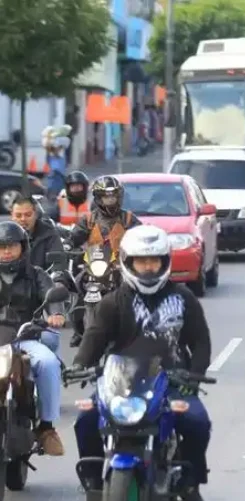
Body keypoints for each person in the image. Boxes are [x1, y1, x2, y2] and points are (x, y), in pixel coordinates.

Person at [69, 225, 212, 500]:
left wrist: (194, 376)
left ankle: (190, 481)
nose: (148, 268)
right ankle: (93, 481)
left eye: (154, 260)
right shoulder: (113, 302)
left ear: (164, 261)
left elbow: (201, 342)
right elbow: (94, 337)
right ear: (128, 262)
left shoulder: (184, 298)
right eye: (141, 261)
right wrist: (79, 364)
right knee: (85, 419)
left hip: (172, 381)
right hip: (120, 383)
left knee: (197, 421)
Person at [0, 221, 67, 455]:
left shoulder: (35, 274)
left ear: (23, 247)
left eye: (12, 246)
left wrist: (56, 313)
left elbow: (52, 295)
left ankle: (47, 427)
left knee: (48, 362)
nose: (6, 251)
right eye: (1, 246)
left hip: (23, 337)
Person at [68, 175, 141, 347]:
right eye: (106, 197)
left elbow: (141, 235)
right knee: (75, 286)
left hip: (122, 266)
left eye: (113, 196)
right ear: (99, 198)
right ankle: (78, 330)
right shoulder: (89, 220)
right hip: (94, 267)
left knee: (140, 291)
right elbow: (75, 237)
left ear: (119, 197)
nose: (110, 200)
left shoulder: (128, 219)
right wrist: (67, 244)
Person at [11, 196, 67, 274]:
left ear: (36, 215)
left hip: (42, 282)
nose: (23, 219)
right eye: (18, 215)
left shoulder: (49, 234)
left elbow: (58, 266)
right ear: (12, 216)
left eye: (28, 214)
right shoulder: (3, 236)